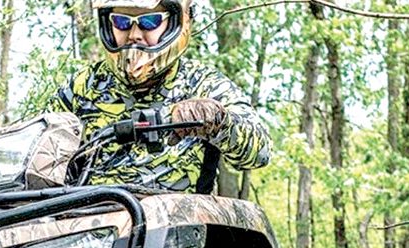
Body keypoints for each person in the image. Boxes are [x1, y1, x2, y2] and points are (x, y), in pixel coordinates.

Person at [49, 0, 271, 193]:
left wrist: (219, 121)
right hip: (91, 228)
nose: (134, 34)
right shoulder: (84, 86)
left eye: (150, 22)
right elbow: (38, 152)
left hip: (180, 228)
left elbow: (259, 153)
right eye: (121, 23)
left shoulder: (203, 83)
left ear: (176, 22)